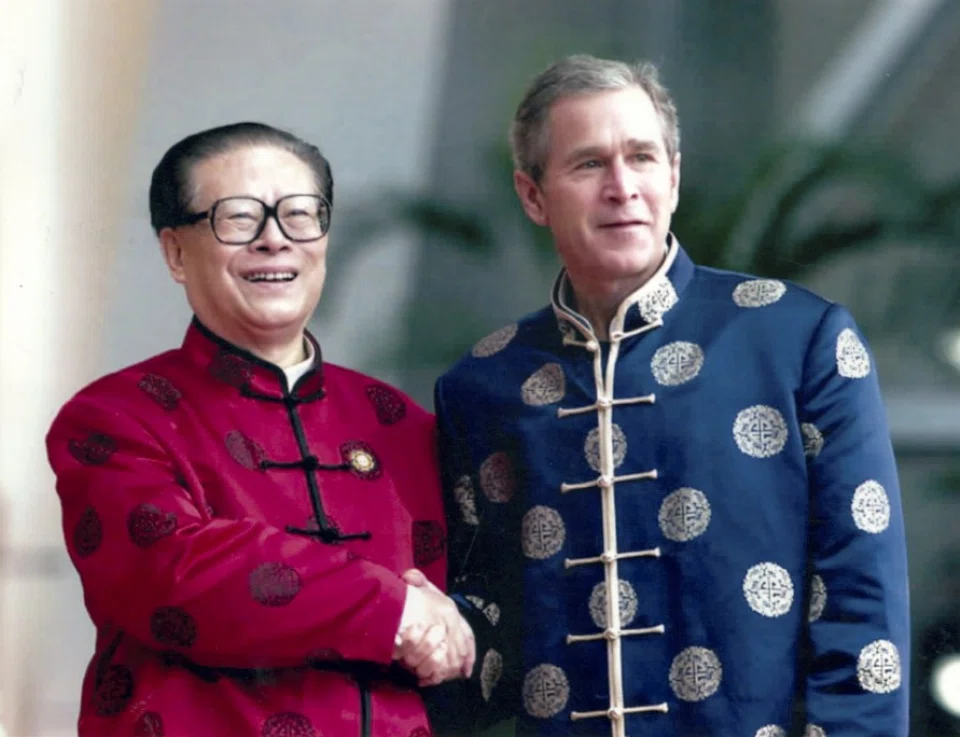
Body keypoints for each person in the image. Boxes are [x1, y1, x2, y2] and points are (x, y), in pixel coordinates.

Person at [422, 54, 911, 737]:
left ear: (673, 178)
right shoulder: (482, 386)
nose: (622, 187)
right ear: (533, 195)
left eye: (642, 158)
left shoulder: (798, 340)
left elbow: (864, 614)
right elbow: (494, 632)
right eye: (589, 164)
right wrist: (408, 616)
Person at [45, 122, 474, 737]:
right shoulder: (114, 417)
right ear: (175, 251)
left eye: (300, 215)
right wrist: (392, 610)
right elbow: (176, 574)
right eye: (239, 219)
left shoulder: (400, 423)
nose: (275, 241)